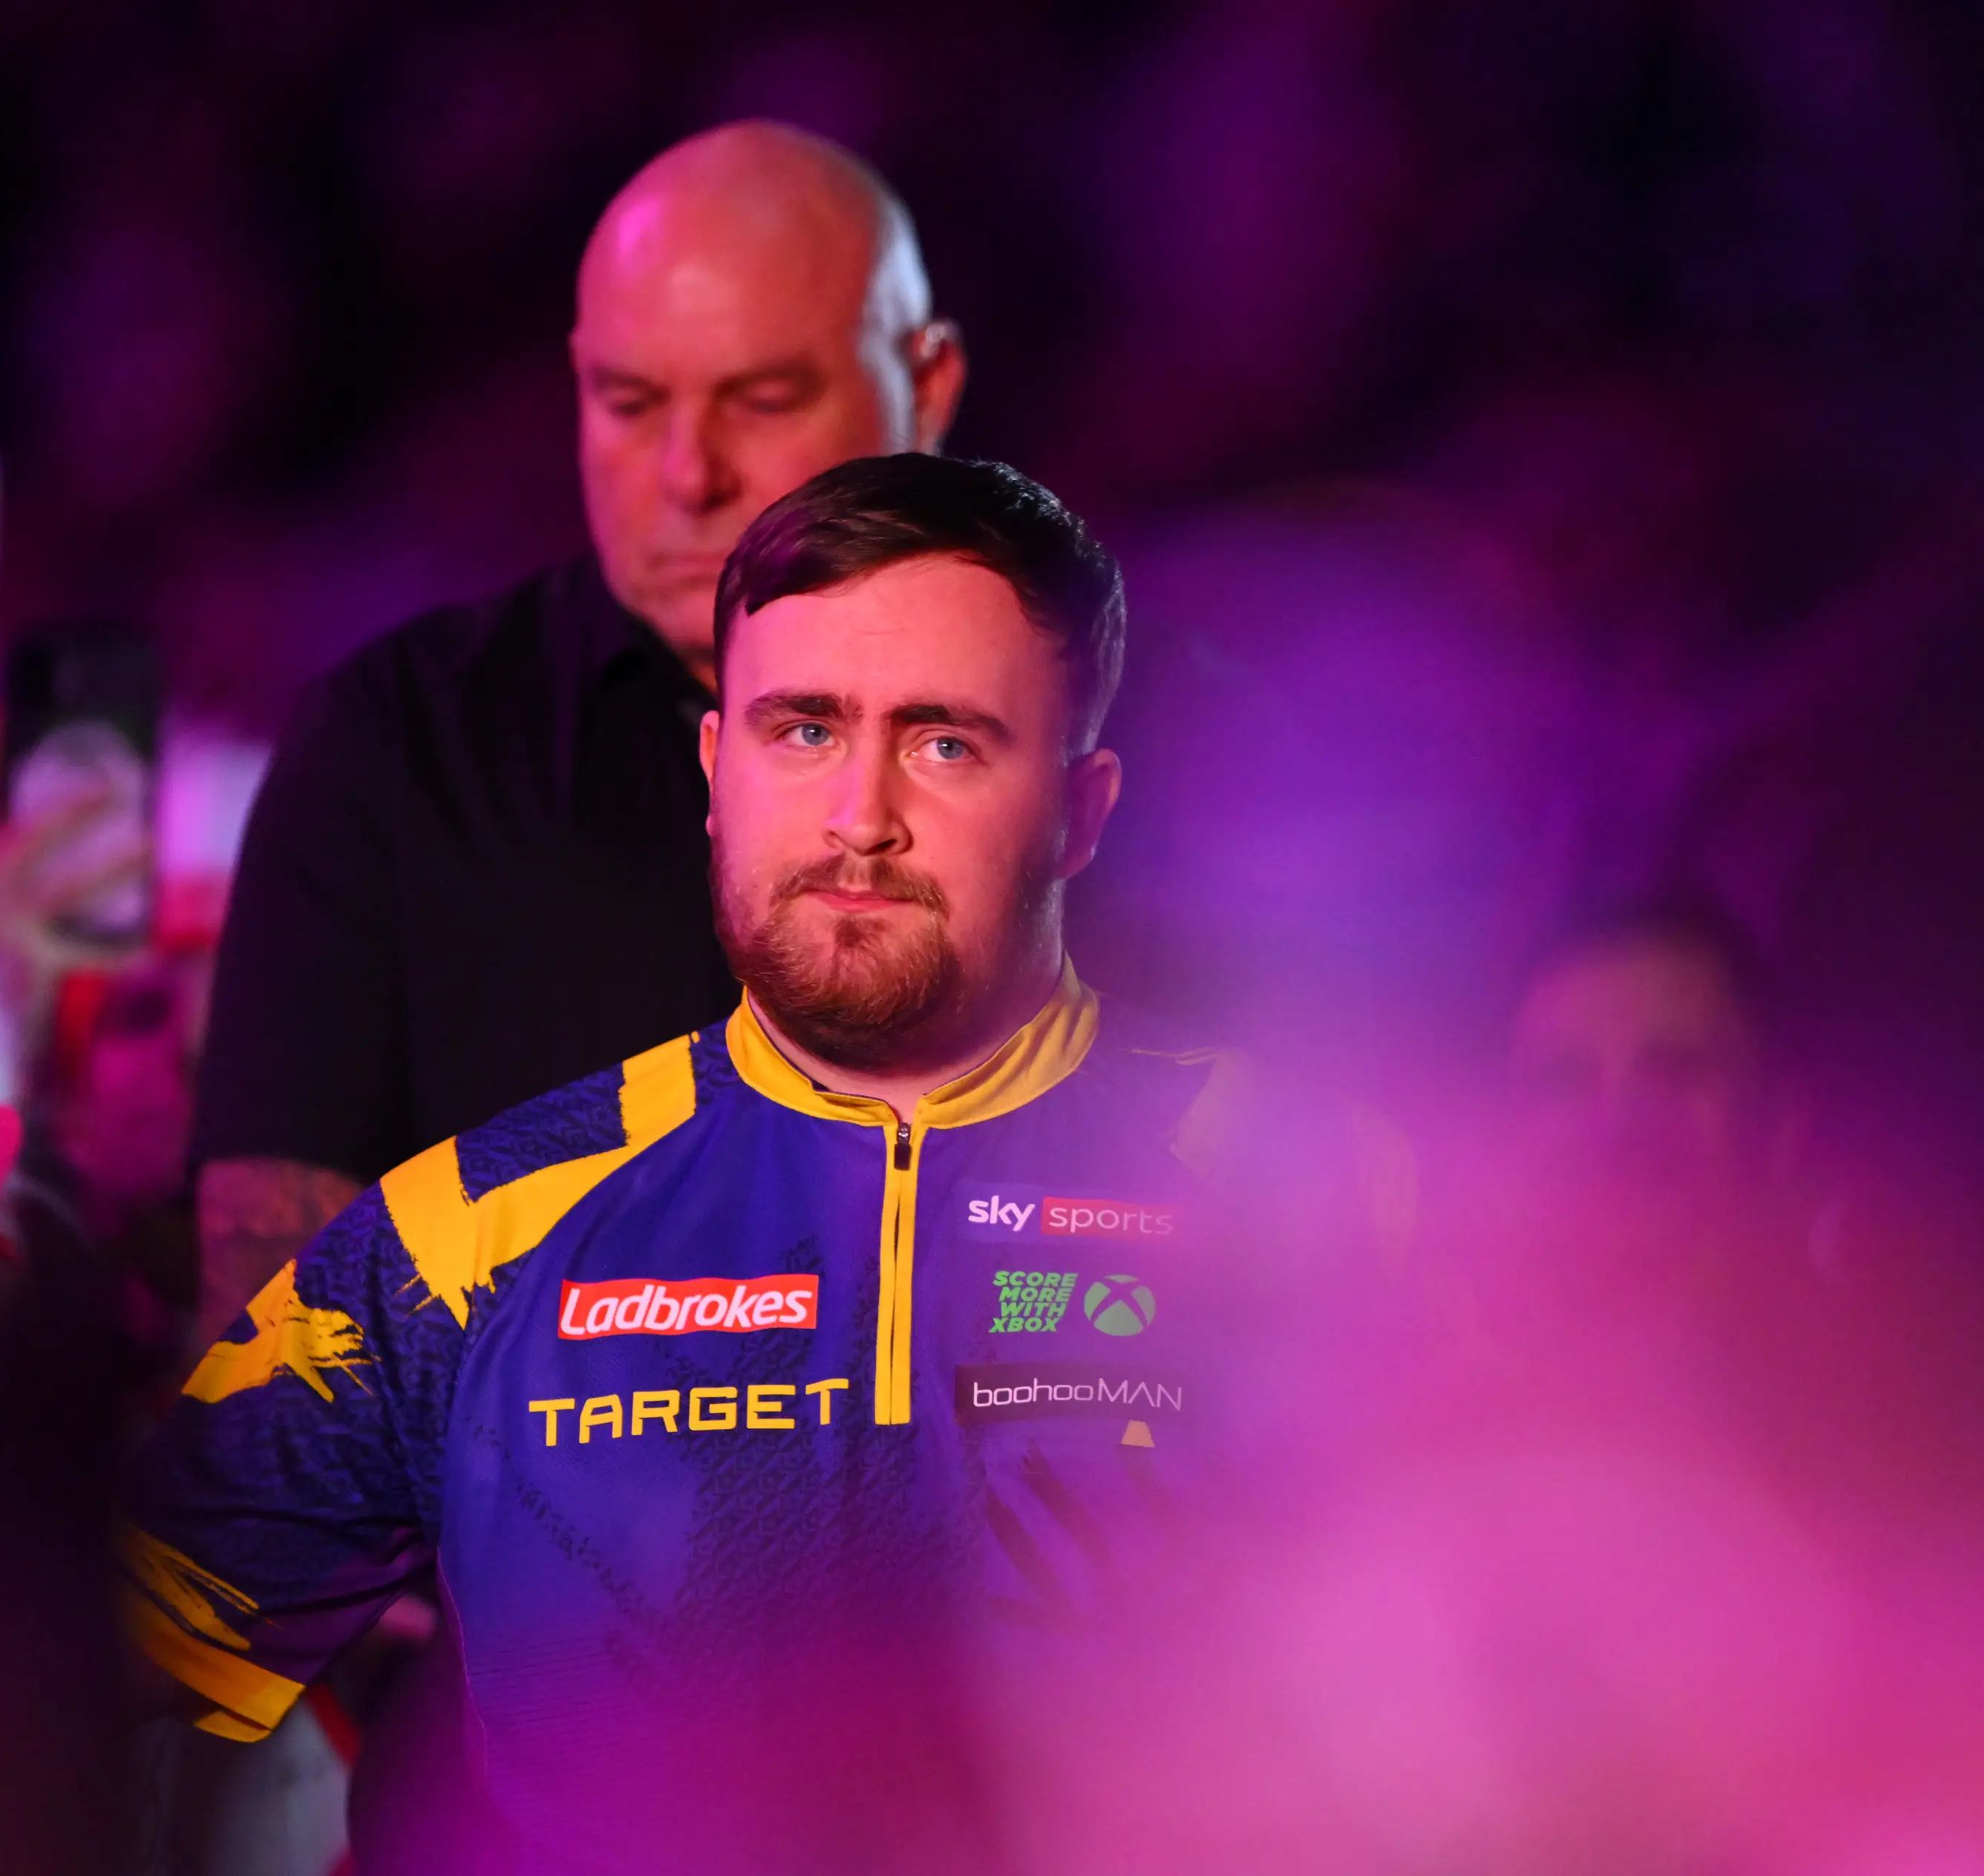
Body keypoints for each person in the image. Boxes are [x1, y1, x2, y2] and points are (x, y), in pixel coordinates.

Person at [123, 455, 1274, 1870]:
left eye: (945, 744)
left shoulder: (1327, 1202)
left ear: (1083, 810)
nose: (860, 815)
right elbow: (54, 1672)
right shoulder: (472, 1234)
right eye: (806, 731)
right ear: (717, 771)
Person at [188, 122, 967, 1354]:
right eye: (629, 402)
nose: (687, 474)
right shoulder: (398, 747)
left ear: (926, 386)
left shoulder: (1128, 727)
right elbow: (274, 1346)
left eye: (764, 400)